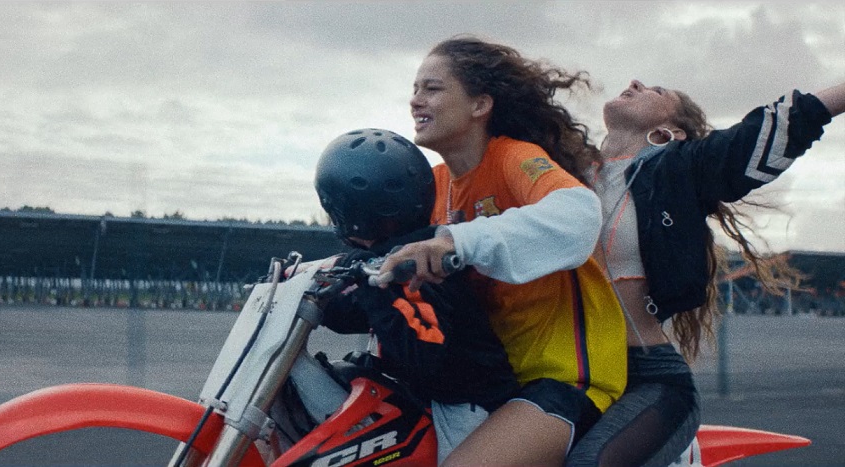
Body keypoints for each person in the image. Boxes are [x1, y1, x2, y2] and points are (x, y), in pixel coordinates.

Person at [378, 35, 628, 466]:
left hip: (562, 379)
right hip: (489, 382)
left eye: (432, 88)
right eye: (415, 89)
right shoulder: (433, 184)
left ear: (480, 105)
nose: (416, 100)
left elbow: (579, 214)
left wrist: (458, 241)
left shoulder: (512, 157)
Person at [567, 79, 845, 467]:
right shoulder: (563, 173)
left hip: (646, 378)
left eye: (657, 91)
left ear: (673, 131)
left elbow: (786, 123)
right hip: (561, 370)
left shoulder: (682, 168)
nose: (634, 83)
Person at [313, 128, 521, 463]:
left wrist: (370, 285)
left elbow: (423, 350)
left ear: (346, 211)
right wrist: (319, 301)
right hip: (435, 397)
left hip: (466, 407)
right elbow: (362, 313)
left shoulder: (413, 267)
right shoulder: (404, 254)